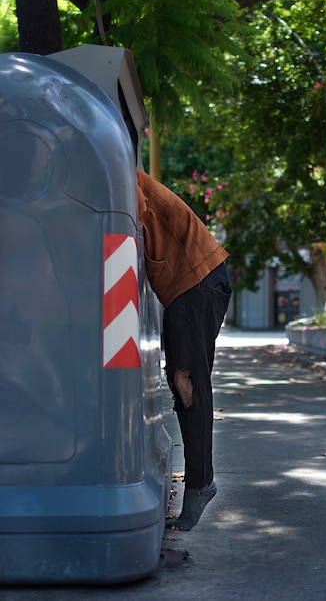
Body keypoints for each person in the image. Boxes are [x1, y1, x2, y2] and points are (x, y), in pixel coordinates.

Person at [136, 168, 232, 531]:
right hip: (184, 287)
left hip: (197, 280)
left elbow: (120, 219)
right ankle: (199, 482)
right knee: (180, 382)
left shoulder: (118, 172)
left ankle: (200, 484)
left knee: (189, 382)